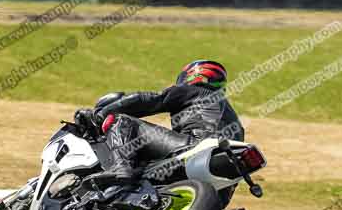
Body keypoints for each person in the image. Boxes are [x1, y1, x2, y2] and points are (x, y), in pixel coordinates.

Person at [76, 60, 244, 185]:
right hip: (215, 186)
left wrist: (99, 114)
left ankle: (121, 167)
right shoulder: (233, 117)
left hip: (194, 148)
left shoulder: (195, 89)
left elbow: (146, 100)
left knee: (122, 121)